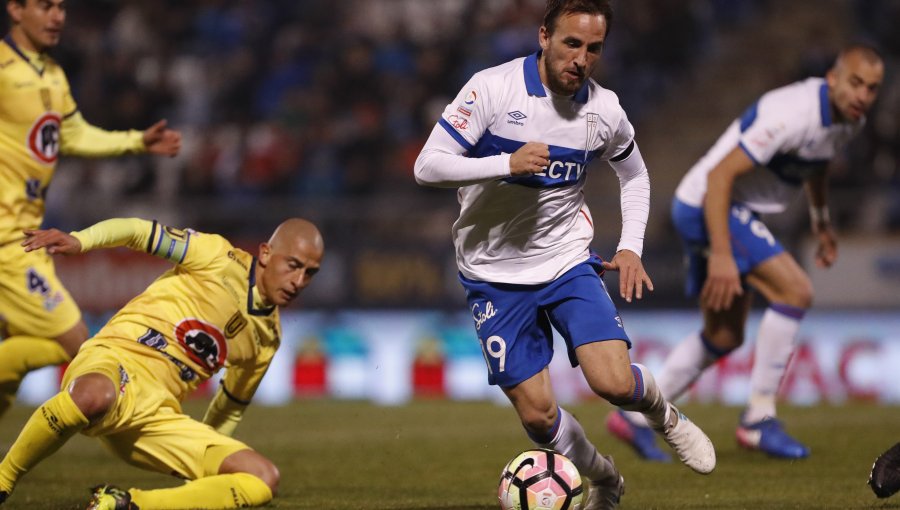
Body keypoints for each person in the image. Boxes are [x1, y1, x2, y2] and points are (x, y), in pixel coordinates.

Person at [414, 1, 715, 508]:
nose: (581, 58)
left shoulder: (605, 111)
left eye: (593, 48)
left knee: (615, 383)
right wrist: (503, 161)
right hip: (492, 274)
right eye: (571, 44)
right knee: (537, 417)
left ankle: (666, 416)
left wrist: (630, 247)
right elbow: (428, 166)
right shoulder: (492, 89)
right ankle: (604, 478)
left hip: (565, 260)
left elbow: (635, 175)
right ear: (544, 37)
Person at [608, 44, 884, 461]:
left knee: (724, 335)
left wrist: (822, 220)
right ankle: (758, 419)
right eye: (856, 83)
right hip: (708, 203)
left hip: (725, 208)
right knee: (795, 291)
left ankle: (634, 418)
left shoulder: (850, 119)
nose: (863, 94)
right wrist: (722, 255)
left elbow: (818, 162)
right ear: (833, 79)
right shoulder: (792, 113)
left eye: (873, 88)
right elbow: (720, 176)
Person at [0, 216, 324, 509]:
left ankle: (128, 504)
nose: (298, 280)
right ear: (266, 253)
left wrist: (204, 469)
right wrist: (81, 240)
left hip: (158, 414)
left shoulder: (268, 337)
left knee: (263, 478)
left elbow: (231, 405)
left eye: (310, 273)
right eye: (293, 265)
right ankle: (3, 479)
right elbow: (139, 232)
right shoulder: (216, 256)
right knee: (91, 396)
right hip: (117, 358)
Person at [0, 0, 182, 423]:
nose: (57, 16)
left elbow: (74, 134)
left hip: (27, 234)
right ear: (15, 9)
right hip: (6, 238)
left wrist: (136, 141)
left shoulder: (53, 75)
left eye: (61, 7)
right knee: (76, 339)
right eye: (45, 6)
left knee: (19, 354)